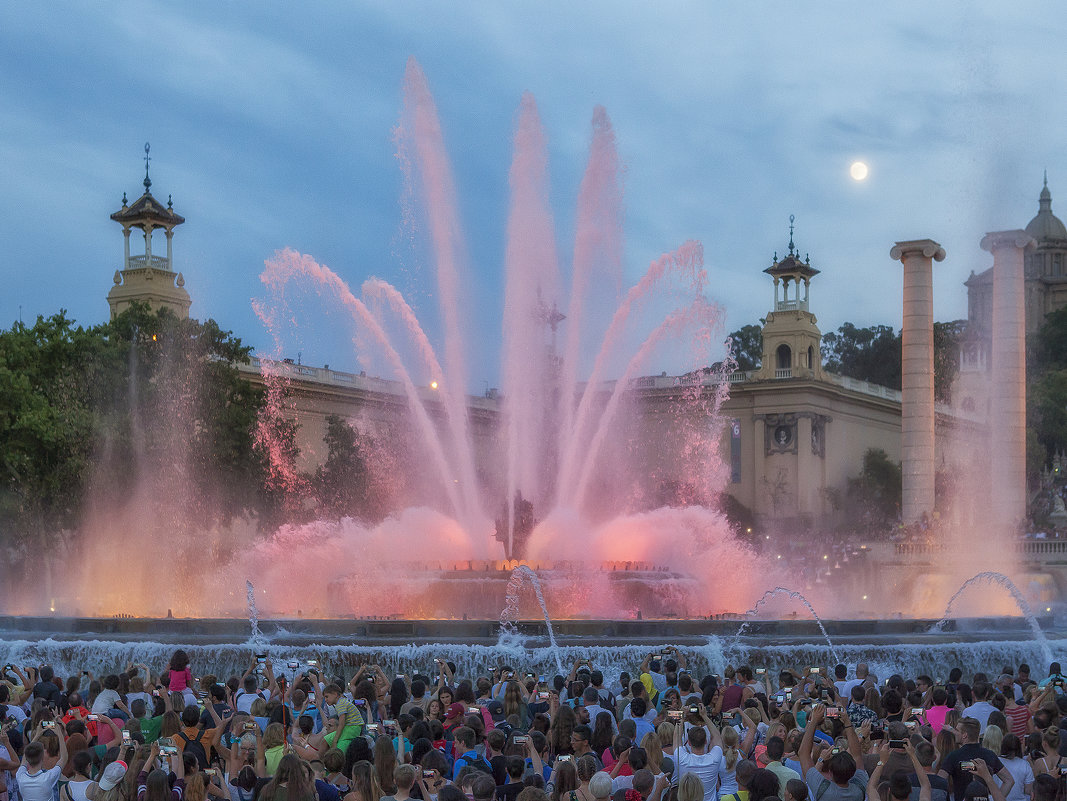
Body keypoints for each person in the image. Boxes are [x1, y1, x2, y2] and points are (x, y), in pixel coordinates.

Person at [938, 718, 1014, 801]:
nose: (955, 733)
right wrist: (996, 797)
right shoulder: (990, 755)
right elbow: (1009, 780)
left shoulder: (953, 756)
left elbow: (939, 782)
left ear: (965, 735)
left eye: (957, 730)